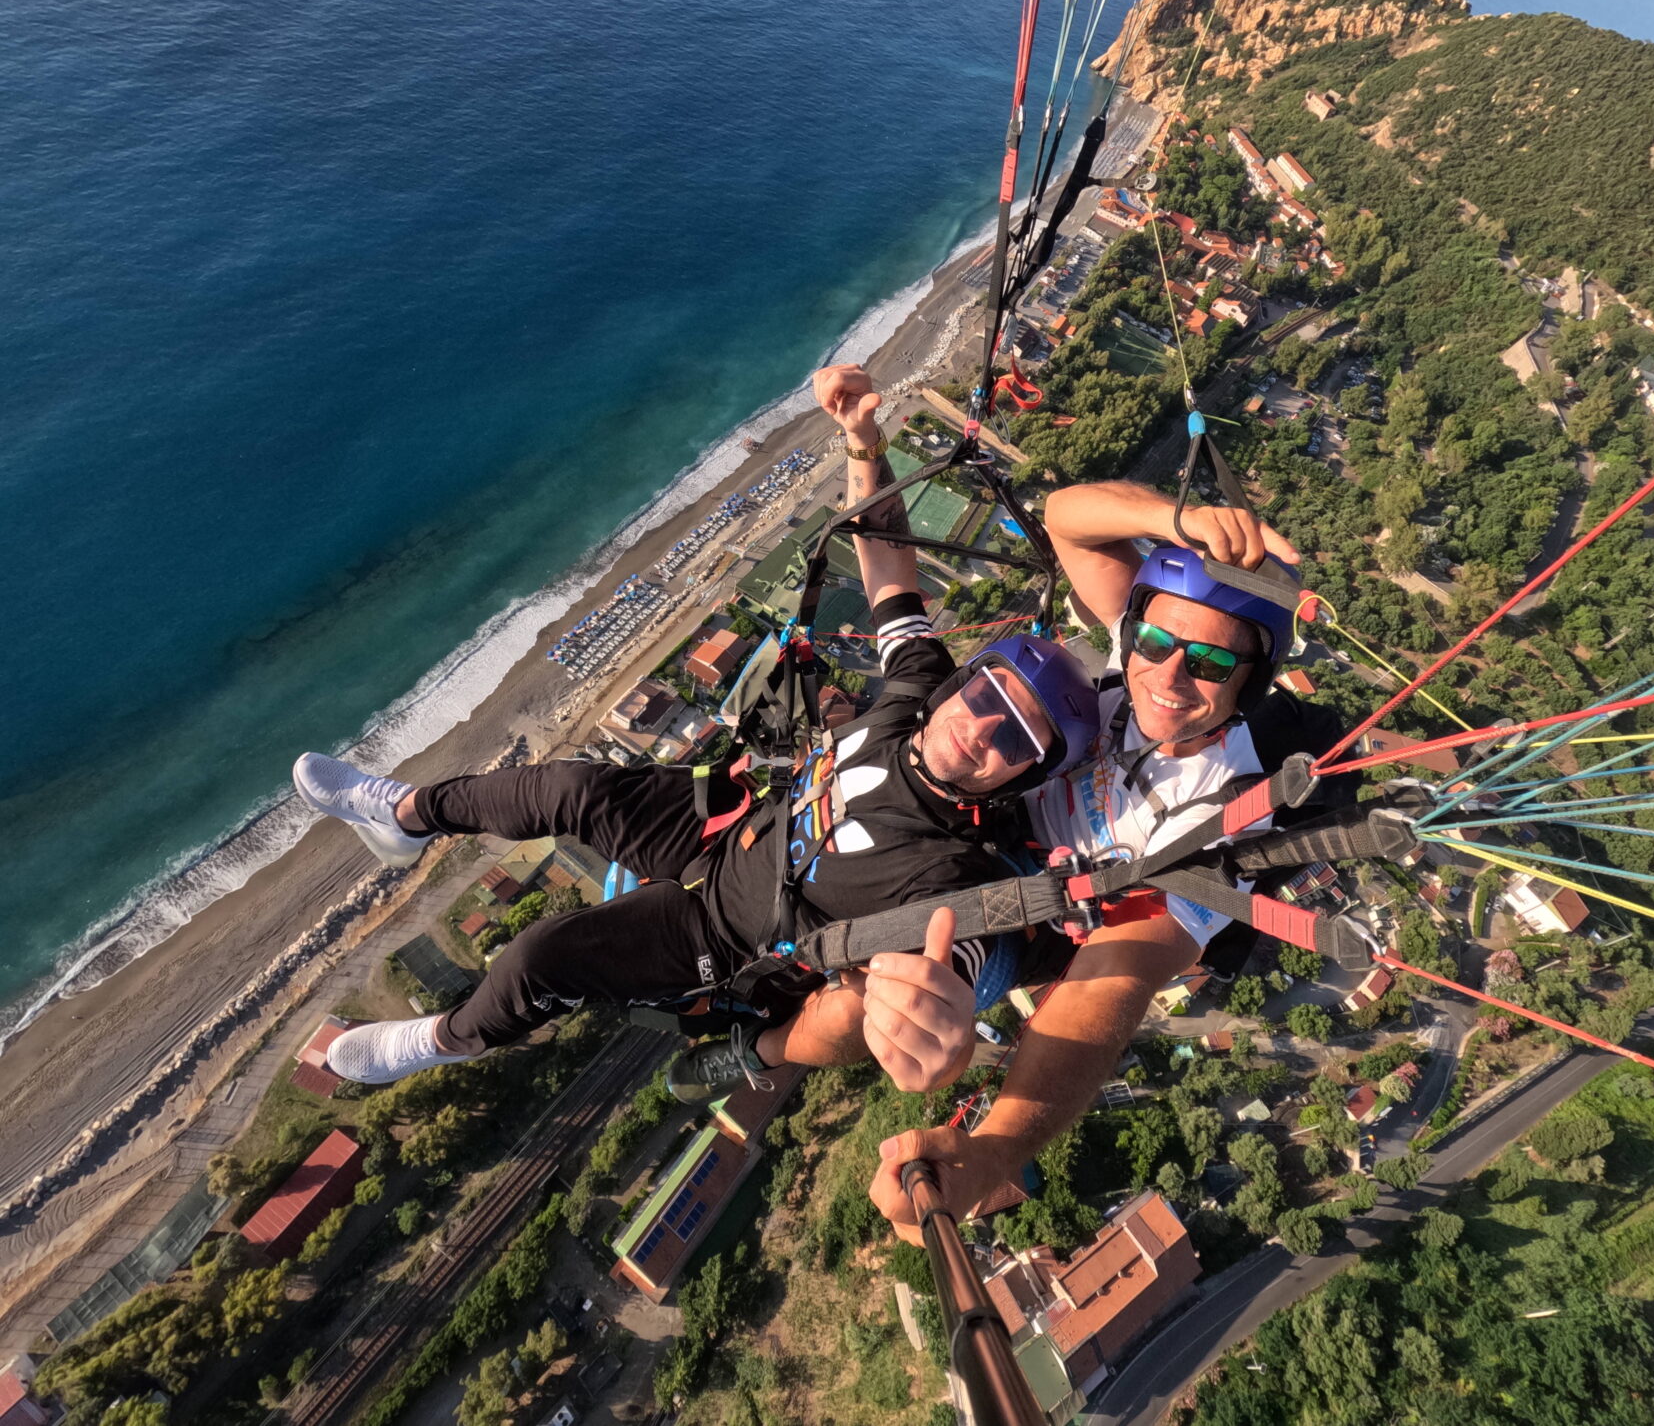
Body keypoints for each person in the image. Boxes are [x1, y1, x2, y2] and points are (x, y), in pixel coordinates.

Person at [291, 362, 1097, 1094]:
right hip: (731, 825)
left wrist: (942, 1008)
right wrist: (864, 442)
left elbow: (953, 962)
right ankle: (404, 816)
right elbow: (887, 561)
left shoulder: (953, 874)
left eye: (1016, 741)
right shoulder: (918, 690)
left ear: (1021, 776)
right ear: (966, 677)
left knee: (541, 957)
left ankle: (447, 1038)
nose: (982, 728)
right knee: (568, 785)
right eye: (988, 694)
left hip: (727, 933)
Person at [866, 480, 1355, 1239]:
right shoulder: (1130, 678)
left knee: (861, 987)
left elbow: (1111, 983)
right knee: (895, 668)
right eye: (1155, 644)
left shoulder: (1220, 815)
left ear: (1248, 685)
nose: (1166, 677)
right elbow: (1067, 520)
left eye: (1207, 665)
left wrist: (997, 1148)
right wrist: (1178, 520)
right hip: (974, 802)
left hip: (1012, 902)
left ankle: (754, 1044)